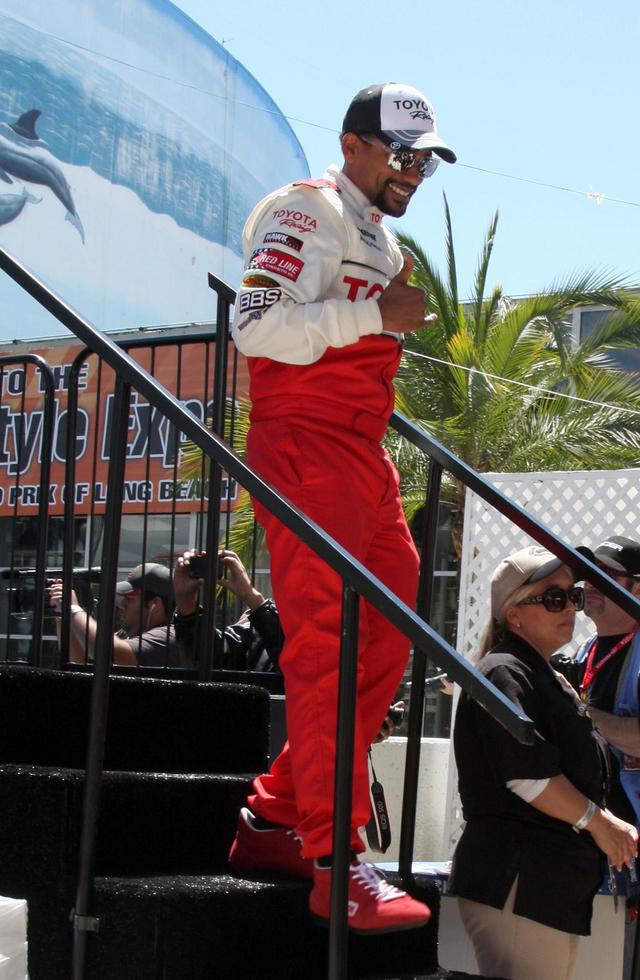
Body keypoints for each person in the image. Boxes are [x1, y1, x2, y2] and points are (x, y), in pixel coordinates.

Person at [228, 82, 456, 933]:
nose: (415, 170)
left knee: (389, 639)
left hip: (359, 454)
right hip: (305, 443)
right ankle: (335, 860)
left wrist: (377, 311)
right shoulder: (305, 210)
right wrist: (374, 311)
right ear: (354, 145)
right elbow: (253, 327)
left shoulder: (373, 233)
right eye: (402, 153)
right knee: (329, 641)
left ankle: (273, 817)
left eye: (426, 157)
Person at [450, 545, 639, 980]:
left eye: (572, 596)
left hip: (543, 888)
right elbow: (528, 777)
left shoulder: (536, 672)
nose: (569, 607)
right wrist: (600, 823)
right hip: (519, 881)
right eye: (553, 598)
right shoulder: (505, 671)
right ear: (514, 614)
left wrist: (601, 819)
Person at [573, 537, 640, 839]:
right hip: (590, 830)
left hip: (634, 840)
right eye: (589, 571)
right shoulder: (585, 651)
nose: (590, 582)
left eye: (606, 574)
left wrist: (578, 713)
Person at [172, 549, 283, 672]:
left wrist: (254, 599)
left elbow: (296, 664)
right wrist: (186, 601)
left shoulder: (270, 618)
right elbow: (215, 659)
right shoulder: (259, 627)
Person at [48, 562, 175, 666]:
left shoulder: (167, 637)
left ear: (155, 604)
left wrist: (73, 609)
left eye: (129, 599)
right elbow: (77, 660)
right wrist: (62, 612)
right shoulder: (126, 635)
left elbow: (107, 652)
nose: (121, 605)